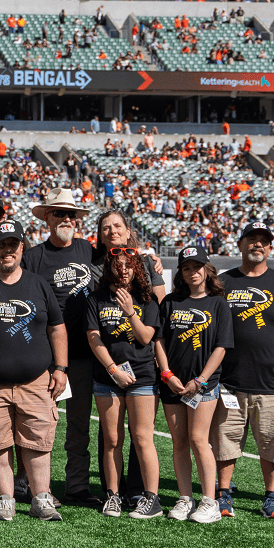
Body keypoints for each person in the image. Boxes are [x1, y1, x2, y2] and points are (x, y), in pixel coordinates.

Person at [0, 220, 68, 522]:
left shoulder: (38, 284)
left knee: (37, 442)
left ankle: (41, 498)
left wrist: (60, 367)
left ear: (22, 248)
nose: (8, 250)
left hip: (36, 381)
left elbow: (57, 327)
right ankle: (5, 499)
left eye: (13, 244)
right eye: (1, 244)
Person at [212, 222, 274, 520]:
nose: (257, 245)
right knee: (224, 441)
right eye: (251, 239)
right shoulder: (222, 282)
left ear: (270, 248)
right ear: (240, 245)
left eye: (263, 241)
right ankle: (223, 494)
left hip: (273, 383)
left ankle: (271, 497)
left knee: (273, 442)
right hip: (230, 382)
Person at [23, 187, 99, 506]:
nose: (66, 218)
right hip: (45, 356)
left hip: (85, 353)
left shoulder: (91, 251)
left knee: (79, 425)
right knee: (39, 423)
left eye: (71, 214)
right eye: (59, 213)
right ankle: (34, 486)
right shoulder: (33, 257)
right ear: (47, 218)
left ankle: (77, 485)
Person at [155, 245, 233, 524]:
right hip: (173, 385)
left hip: (204, 385)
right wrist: (167, 375)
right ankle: (185, 498)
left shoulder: (218, 303)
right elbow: (159, 341)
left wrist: (200, 381)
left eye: (197, 267)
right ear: (181, 273)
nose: (193, 272)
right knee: (179, 442)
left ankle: (209, 502)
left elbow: (222, 347)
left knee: (199, 440)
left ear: (207, 269)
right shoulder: (171, 302)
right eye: (186, 268)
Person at [94, 210, 167, 505]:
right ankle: (112, 492)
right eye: (106, 228)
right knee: (110, 437)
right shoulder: (94, 264)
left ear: (128, 230)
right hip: (107, 363)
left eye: (117, 226)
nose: (112, 231)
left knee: (141, 435)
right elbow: (93, 328)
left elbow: (158, 315)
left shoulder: (147, 263)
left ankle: (141, 491)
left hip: (142, 362)